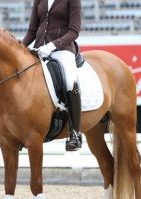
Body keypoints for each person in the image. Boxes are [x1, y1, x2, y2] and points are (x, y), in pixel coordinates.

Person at [22, 0, 82, 151]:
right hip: (39, 49)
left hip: (62, 50)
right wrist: (19, 48)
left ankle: (75, 133)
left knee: (70, 81)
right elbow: (32, 30)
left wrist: (52, 45)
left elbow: (74, 31)